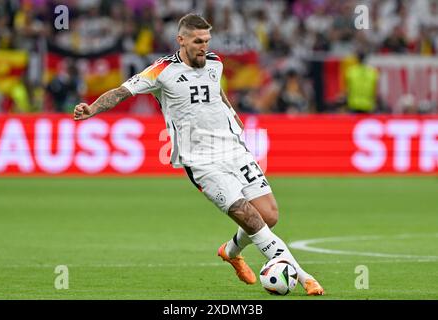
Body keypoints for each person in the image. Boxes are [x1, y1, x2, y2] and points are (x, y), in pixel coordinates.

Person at [73, 13, 324, 296]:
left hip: (233, 149)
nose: (203, 46)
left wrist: (233, 114)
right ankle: (304, 278)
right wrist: (92, 109)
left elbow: (216, 92)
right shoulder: (161, 71)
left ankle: (230, 252)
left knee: (269, 214)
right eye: (197, 41)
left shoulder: (215, 62)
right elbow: (122, 92)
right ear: (181, 40)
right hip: (201, 161)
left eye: (206, 40)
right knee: (250, 218)